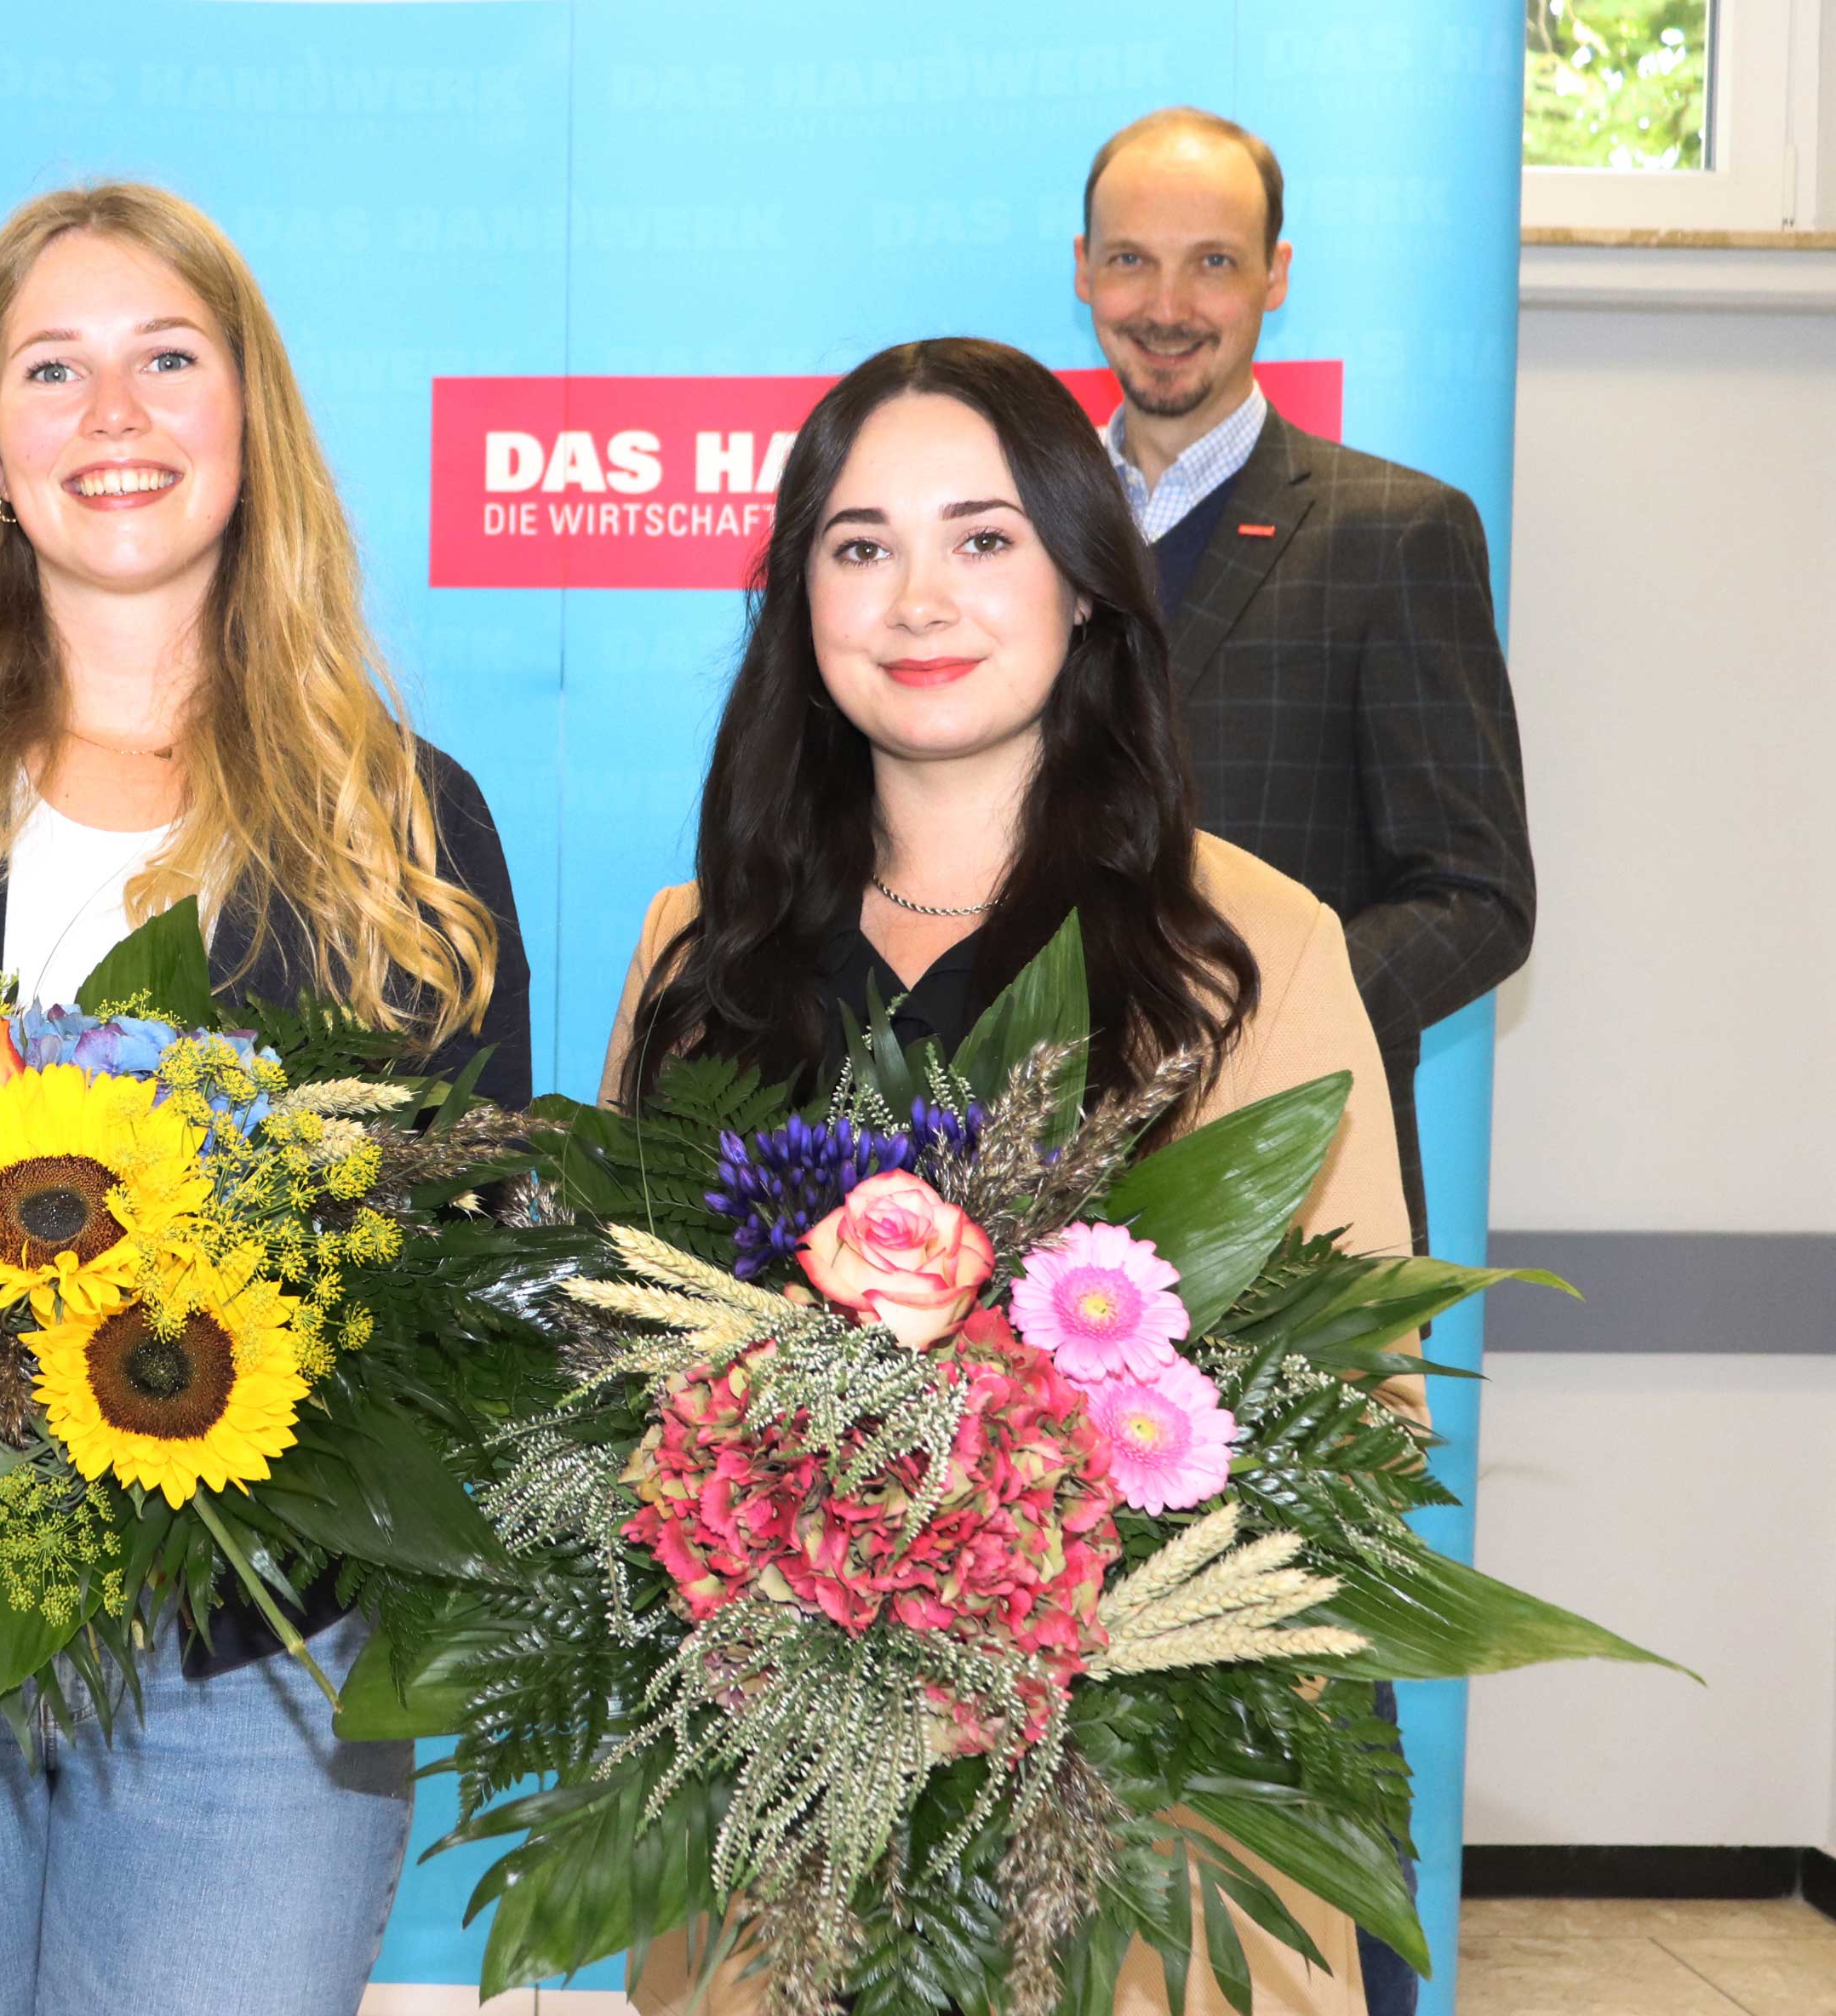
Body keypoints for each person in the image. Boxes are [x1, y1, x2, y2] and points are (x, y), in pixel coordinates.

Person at [0, 181, 529, 2016]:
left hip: (255, 1663)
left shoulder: (408, 825)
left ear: (250, 420)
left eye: (166, 358)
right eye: (52, 369)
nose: (114, 414)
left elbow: (463, 1261)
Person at [603, 338, 1411, 2016]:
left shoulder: (1243, 950)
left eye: (982, 537)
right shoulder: (698, 956)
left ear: (1085, 583)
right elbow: (621, 1374)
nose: (918, 598)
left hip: (1134, 1831)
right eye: (857, 542)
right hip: (781, 1841)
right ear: (797, 594)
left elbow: (1357, 1414)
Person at [1074, 105, 1535, 1254]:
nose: (1168, 309)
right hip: (1016, 1194)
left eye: (1213, 265)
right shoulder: (1016, 532)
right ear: (1082, 273)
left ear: (1275, 277)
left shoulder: (1397, 533)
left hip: (1300, 1191)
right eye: (1132, 260)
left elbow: (1479, 899)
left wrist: (1258, 1033)